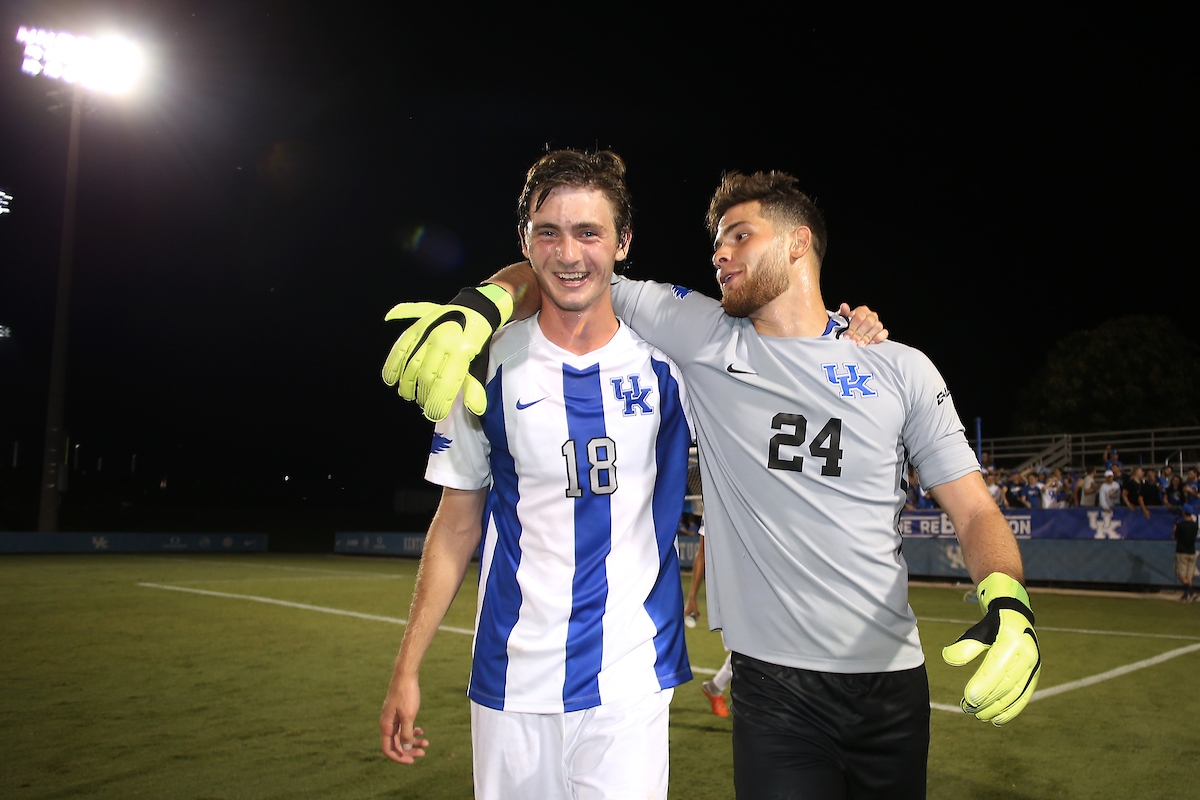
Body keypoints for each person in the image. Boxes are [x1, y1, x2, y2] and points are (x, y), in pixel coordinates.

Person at [385, 165, 1041, 799]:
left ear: (797, 242)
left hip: (874, 681)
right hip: (754, 690)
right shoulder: (697, 342)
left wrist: (1010, 601)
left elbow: (975, 508)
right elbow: (566, 270)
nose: (720, 255)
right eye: (717, 241)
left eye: (740, 236)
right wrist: (482, 302)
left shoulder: (892, 367)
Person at [378, 151, 698, 799]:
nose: (568, 252)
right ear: (525, 240)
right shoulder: (484, 364)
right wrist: (405, 668)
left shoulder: (673, 364)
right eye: (548, 231)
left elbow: (774, 347)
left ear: (623, 242)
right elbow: (454, 526)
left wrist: (849, 330)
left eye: (589, 232)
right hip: (510, 676)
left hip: (630, 675)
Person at [683, 521, 733, 717]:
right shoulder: (714, 503)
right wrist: (692, 597)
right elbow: (702, 554)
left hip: (754, 589)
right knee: (745, 654)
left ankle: (715, 687)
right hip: (728, 593)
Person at [1172, 505, 1198, 602]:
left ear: (1184, 513)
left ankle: (1191, 592)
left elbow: (1174, 537)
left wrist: (1176, 528)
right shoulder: (1195, 525)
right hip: (1192, 552)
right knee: (1188, 576)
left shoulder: (1181, 525)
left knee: (1181, 575)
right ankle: (1186, 596)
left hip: (1182, 552)